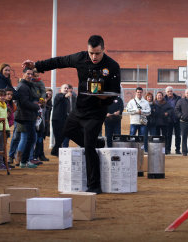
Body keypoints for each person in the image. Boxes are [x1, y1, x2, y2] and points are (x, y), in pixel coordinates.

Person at [22, 35, 121, 193]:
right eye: (91, 53)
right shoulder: (80, 58)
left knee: (88, 148)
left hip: (97, 111)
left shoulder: (112, 66)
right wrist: (37, 66)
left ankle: (94, 186)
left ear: (103, 50)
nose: (94, 57)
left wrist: (104, 97)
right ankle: (97, 144)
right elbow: (59, 61)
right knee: (66, 130)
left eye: (97, 53)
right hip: (80, 108)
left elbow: (116, 91)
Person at [14, 67, 40, 169]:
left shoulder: (27, 85)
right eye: (28, 74)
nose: (30, 76)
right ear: (23, 74)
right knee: (29, 138)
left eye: (31, 74)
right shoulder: (23, 86)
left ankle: (24, 161)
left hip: (28, 115)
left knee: (30, 138)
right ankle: (23, 161)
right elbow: (24, 103)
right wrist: (36, 106)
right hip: (25, 116)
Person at [126, 87, 151, 152]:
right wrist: (136, 111)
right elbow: (128, 110)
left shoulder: (146, 102)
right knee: (132, 137)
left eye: (140, 92)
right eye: (138, 92)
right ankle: (130, 150)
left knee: (142, 138)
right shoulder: (131, 101)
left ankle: (142, 150)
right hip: (134, 122)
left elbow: (149, 112)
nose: (139, 93)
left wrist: (142, 111)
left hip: (142, 123)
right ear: (136, 92)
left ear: (142, 93)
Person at [50, 84, 71, 156]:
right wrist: (65, 95)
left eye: (67, 88)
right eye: (64, 88)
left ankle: (55, 151)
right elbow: (61, 97)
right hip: (57, 120)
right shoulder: (58, 95)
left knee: (62, 137)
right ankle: (55, 152)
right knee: (58, 137)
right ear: (61, 89)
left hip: (64, 120)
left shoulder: (67, 99)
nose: (66, 89)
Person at [0, 89, 11, 169]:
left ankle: (0, 164)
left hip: (3, 129)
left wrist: (6, 128)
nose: (3, 97)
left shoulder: (4, 105)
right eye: (0, 96)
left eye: (4, 95)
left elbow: (5, 119)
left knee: (1, 147)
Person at [164, 86, 181, 154]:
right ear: (166, 92)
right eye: (168, 91)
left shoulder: (178, 98)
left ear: (172, 91)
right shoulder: (164, 99)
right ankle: (168, 150)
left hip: (177, 119)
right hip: (168, 120)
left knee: (178, 135)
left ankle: (177, 150)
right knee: (168, 136)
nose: (170, 92)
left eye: (171, 91)